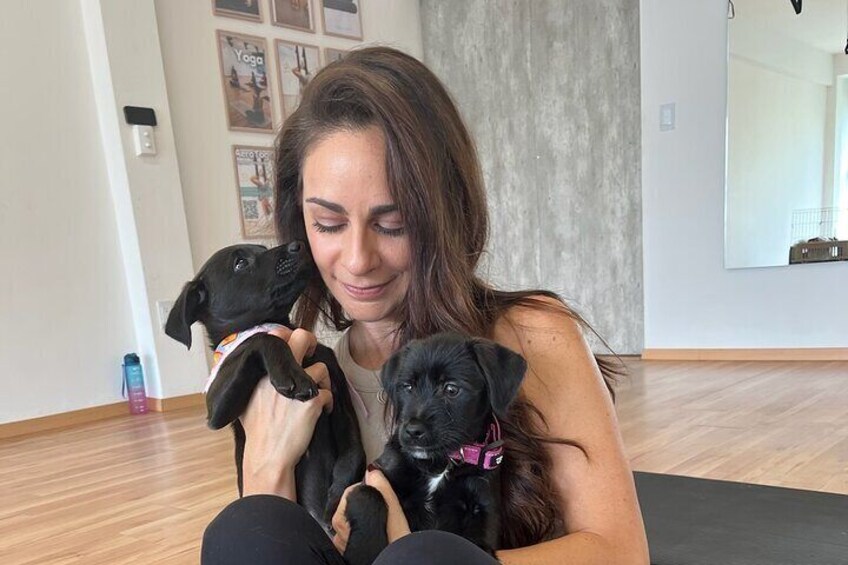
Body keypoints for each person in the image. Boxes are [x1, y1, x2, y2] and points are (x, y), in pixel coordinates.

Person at [201, 46, 649, 564]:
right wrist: (266, 466)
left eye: (393, 225)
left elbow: (620, 552)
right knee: (247, 527)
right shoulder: (300, 373)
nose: (358, 259)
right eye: (328, 223)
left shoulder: (529, 336)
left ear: (446, 214)